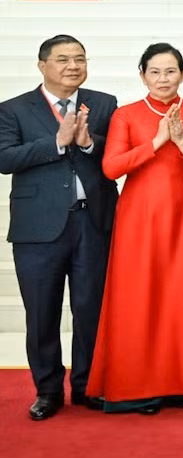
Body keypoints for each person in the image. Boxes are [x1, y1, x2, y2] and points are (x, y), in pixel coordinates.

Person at [2, 35, 117, 420]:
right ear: (42, 66)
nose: (73, 66)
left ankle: (86, 386)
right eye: (63, 59)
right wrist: (56, 141)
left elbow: (115, 151)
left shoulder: (103, 103)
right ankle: (48, 390)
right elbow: (5, 158)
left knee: (90, 309)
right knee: (42, 313)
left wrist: (87, 143)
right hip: (39, 228)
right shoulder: (13, 109)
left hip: (93, 221)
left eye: (80, 59)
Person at [92, 44, 183, 413]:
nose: (163, 79)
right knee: (138, 296)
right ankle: (136, 385)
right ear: (142, 75)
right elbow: (111, 168)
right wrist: (157, 142)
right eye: (155, 72)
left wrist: (182, 143)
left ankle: (182, 383)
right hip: (139, 215)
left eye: (170, 71)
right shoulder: (126, 114)